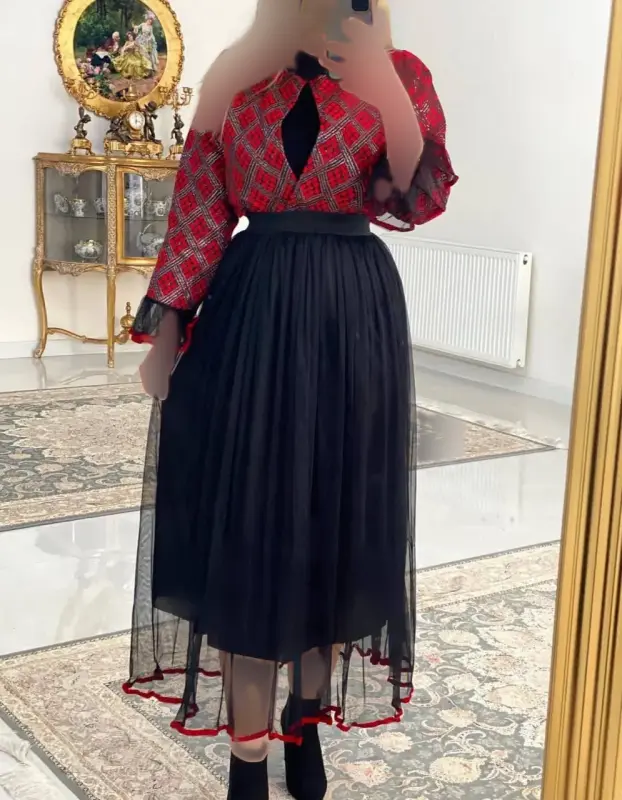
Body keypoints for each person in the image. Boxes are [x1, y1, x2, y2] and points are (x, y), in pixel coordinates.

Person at [123, 1, 457, 798]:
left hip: (352, 319)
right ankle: (247, 758)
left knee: (335, 531)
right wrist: (166, 331)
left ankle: (303, 723)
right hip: (253, 312)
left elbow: (412, 196)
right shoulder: (238, 80)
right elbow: (200, 212)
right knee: (249, 531)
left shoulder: (402, 75)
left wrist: (384, 89)